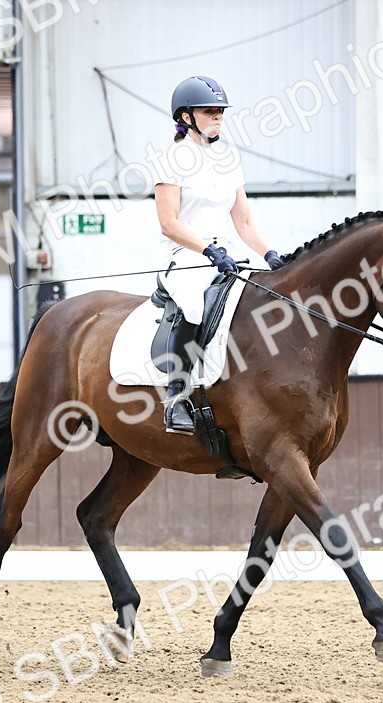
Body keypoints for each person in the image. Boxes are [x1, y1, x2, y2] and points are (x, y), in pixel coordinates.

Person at [153, 75, 285, 435]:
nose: (217, 118)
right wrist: (208, 249)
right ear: (185, 117)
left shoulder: (228, 159)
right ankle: (176, 399)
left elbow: (243, 221)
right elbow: (169, 223)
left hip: (222, 255)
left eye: (220, 113)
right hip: (182, 255)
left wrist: (270, 253)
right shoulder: (170, 159)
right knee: (195, 305)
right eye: (209, 112)